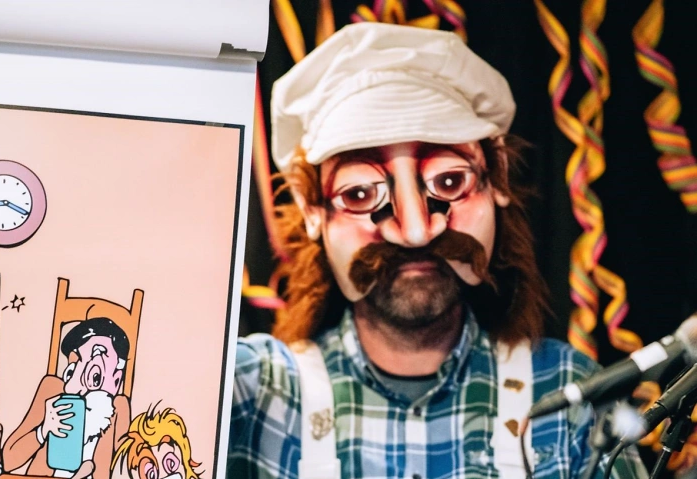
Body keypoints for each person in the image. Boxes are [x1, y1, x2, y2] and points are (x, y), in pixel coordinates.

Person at [228, 22, 650, 479]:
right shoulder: (254, 394)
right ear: (312, 208)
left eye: (448, 182)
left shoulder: (569, 398)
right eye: (360, 195)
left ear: (497, 176)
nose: (414, 233)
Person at [3, 317, 132, 479]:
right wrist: (43, 430)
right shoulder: (53, 391)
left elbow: (127, 464)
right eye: (76, 363)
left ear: (116, 380)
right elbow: (8, 460)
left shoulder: (118, 408)